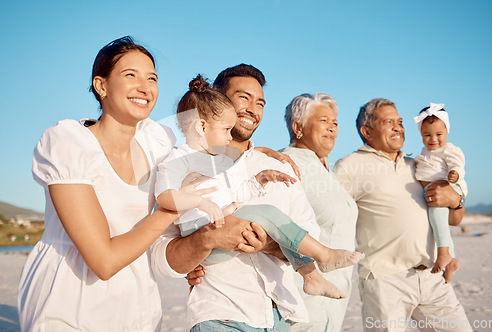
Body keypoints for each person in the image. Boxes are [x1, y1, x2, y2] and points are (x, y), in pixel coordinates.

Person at [17, 36, 185, 331]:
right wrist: (172, 209)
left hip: (138, 307)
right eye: (130, 75)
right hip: (69, 303)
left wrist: (258, 153)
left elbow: (209, 143)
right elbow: (103, 261)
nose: (145, 87)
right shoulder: (69, 144)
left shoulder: (155, 143)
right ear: (101, 85)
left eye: (152, 78)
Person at [151, 64, 325, 330]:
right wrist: (202, 241)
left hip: (279, 316)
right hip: (218, 314)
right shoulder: (184, 164)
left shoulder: (279, 168)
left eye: (260, 103)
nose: (252, 109)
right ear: (217, 98)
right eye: (243, 97)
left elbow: (310, 232)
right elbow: (161, 256)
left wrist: (267, 243)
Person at [156, 75, 362, 299]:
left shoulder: (224, 161)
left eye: (260, 103)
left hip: (271, 296)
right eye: (226, 129)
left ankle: (311, 275)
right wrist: (200, 204)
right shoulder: (178, 159)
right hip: (206, 249)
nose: (229, 134)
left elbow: (238, 194)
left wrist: (258, 181)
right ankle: (323, 256)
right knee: (268, 213)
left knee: (275, 221)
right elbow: (163, 197)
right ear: (202, 125)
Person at [334, 98, 471, 331]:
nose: (399, 127)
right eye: (389, 122)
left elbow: (454, 220)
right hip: (385, 280)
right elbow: (329, 217)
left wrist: (457, 201)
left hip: (432, 275)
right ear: (367, 131)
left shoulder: (419, 165)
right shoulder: (350, 166)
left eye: (400, 121)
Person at [281, 92, 358, 332]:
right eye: (324, 120)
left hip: (334, 302)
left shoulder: (327, 170)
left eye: (335, 122)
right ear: (298, 127)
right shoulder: (286, 164)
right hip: (300, 304)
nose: (332, 127)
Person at [413, 102, 466, 282]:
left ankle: (443, 254)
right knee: (439, 223)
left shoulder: (449, 150)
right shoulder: (425, 152)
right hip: (435, 190)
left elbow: (457, 164)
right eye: (427, 135)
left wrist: (455, 174)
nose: (433, 139)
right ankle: (450, 260)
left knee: (437, 218)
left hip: (447, 186)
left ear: (447, 132)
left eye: (438, 134)